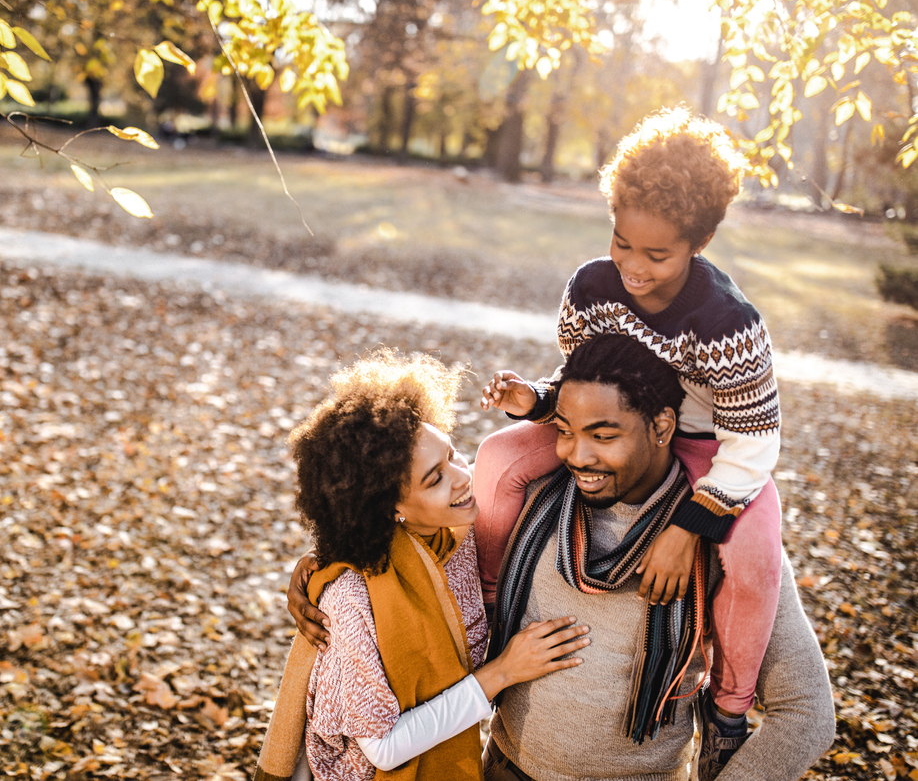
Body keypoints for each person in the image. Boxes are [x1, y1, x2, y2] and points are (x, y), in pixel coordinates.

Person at [290, 335, 835, 781]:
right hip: (501, 770)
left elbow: (806, 713)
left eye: (604, 435)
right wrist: (320, 570)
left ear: (663, 427)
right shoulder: (517, 506)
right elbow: (393, 541)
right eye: (567, 433)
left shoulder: (724, 543)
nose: (578, 455)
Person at [479, 107, 784, 778]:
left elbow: (755, 440)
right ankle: (487, 607)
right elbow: (584, 382)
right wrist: (537, 400)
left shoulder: (726, 322)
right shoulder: (591, 288)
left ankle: (728, 709)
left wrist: (690, 525)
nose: (634, 269)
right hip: (614, 427)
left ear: (699, 240)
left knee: (757, 555)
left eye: (657, 254)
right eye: (622, 244)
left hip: (711, 447)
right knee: (498, 460)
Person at [255, 349, 591, 781]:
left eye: (452, 454)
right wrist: (504, 671)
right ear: (391, 507)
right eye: (434, 478)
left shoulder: (459, 539)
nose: (462, 476)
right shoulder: (351, 598)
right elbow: (384, 747)